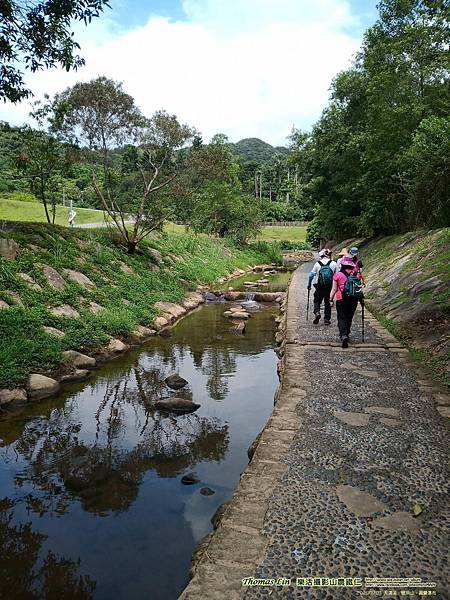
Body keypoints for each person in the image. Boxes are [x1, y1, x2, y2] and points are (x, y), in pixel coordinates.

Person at [330, 256, 360, 348]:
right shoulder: (355, 274)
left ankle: (343, 335)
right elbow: (358, 287)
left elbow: (334, 289)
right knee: (349, 317)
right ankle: (347, 333)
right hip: (353, 299)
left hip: (341, 298)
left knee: (341, 317)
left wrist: (330, 299)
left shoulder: (337, 275)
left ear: (342, 265)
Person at [307, 249, 337, 325]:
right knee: (328, 301)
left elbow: (311, 275)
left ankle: (317, 312)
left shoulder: (317, 264)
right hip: (330, 285)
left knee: (317, 300)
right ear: (329, 255)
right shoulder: (333, 263)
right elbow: (337, 275)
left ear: (321, 256)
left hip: (319, 285)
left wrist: (309, 284)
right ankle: (327, 319)